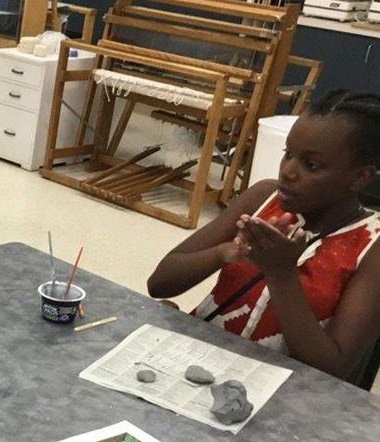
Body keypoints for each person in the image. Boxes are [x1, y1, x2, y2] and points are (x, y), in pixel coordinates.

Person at [148, 90, 380, 379]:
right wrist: (225, 252)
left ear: (360, 178)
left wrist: (281, 274)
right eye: (288, 154)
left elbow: (334, 369)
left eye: (311, 165)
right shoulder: (262, 197)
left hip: (279, 393)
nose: (288, 172)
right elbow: (159, 284)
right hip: (200, 361)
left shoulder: (371, 245)